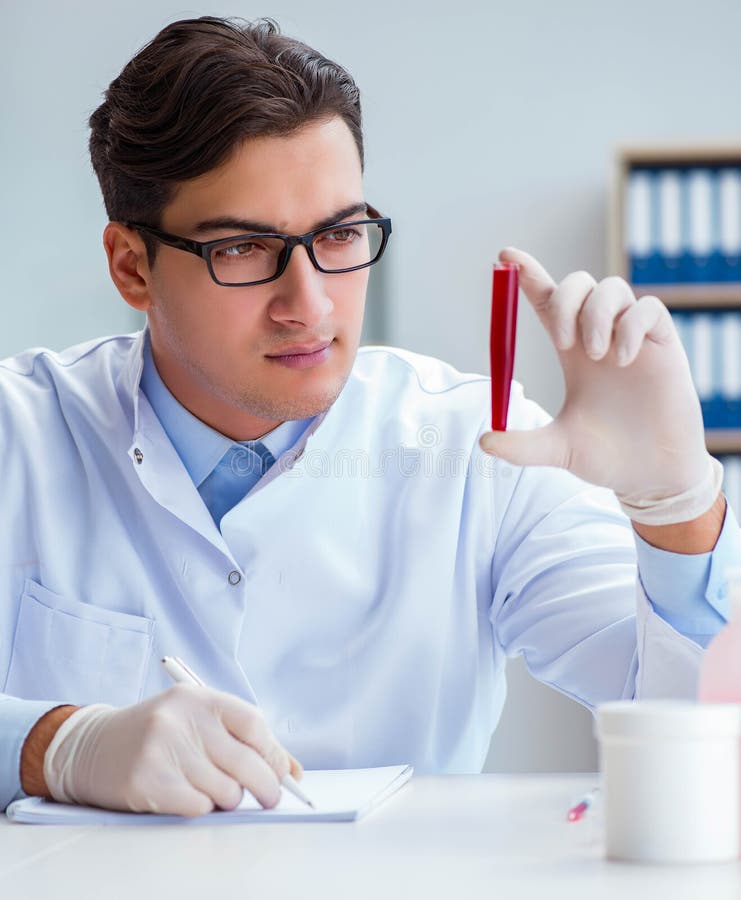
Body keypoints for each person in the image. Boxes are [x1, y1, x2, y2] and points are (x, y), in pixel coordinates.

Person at [1, 15, 738, 817]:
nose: (308, 305)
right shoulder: (21, 433)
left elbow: (696, 738)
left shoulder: (474, 445)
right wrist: (55, 746)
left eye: (340, 234)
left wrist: (677, 509)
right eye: (243, 248)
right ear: (131, 265)